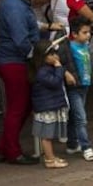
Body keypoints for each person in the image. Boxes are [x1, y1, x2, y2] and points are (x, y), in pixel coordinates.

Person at [0, 0, 49, 165]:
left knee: (22, 106)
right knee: (18, 107)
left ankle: (6, 147)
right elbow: (21, 40)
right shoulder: (14, 7)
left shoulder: (17, 3)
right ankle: (12, 151)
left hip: (14, 60)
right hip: (14, 61)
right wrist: (38, 57)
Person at [58, 16, 93, 162]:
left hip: (84, 85)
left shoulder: (85, 46)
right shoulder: (67, 47)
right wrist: (66, 73)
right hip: (74, 87)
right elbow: (59, 63)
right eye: (84, 32)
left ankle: (72, 143)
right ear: (74, 34)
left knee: (75, 116)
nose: (88, 35)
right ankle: (86, 147)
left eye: (89, 32)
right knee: (81, 118)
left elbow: (85, 63)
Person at [29, 41, 69, 169]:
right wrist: (59, 68)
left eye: (55, 53)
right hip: (46, 107)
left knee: (49, 134)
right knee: (46, 135)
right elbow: (56, 82)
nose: (55, 57)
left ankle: (50, 156)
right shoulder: (42, 72)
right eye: (51, 54)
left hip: (49, 105)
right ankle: (50, 159)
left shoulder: (45, 69)